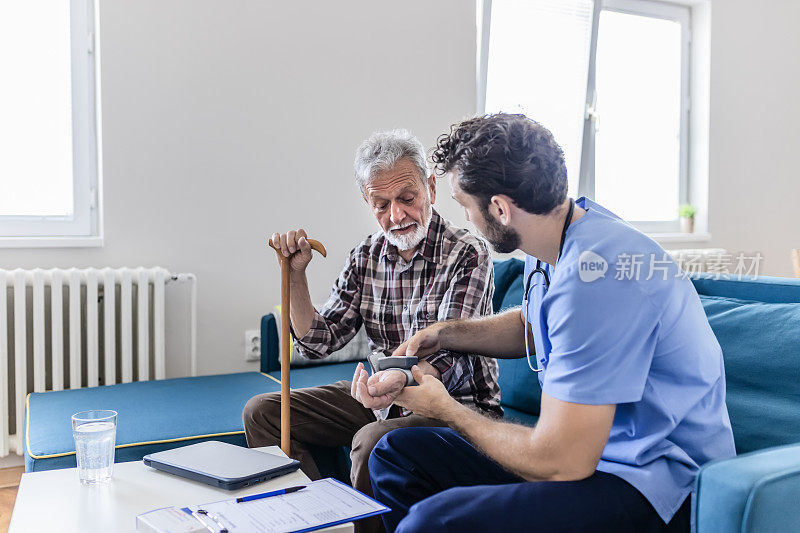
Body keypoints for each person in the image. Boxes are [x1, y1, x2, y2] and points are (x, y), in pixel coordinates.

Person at [357, 114, 736, 532]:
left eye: (465, 205)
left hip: (657, 486)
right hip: (593, 461)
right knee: (396, 454)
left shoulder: (598, 275)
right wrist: (444, 334)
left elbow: (560, 461)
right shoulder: (555, 234)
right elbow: (532, 324)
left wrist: (445, 408)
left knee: (430, 523)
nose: (465, 219)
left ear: (499, 208)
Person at [242, 129, 500, 533]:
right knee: (263, 411)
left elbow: (450, 356)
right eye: (381, 205)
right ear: (367, 201)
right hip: (382, 398)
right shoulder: (366, 254)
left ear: (430, 188)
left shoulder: (467, 251)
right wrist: (296, 275)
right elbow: (318, 341)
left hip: (454, 408)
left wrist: (395, 378)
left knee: (372, 438)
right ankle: (315, 521)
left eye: (407, 198)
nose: (396, 216)